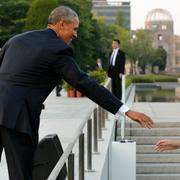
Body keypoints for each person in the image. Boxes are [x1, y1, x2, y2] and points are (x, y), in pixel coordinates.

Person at [0, 6, 154, 180]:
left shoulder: (17, 40)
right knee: (21, 174)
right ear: (61, 24)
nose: (75, 35)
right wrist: (126, 110)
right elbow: (85, 83)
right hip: (17, 116)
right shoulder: (57, 49)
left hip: (8, 110)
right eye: (74, 29)